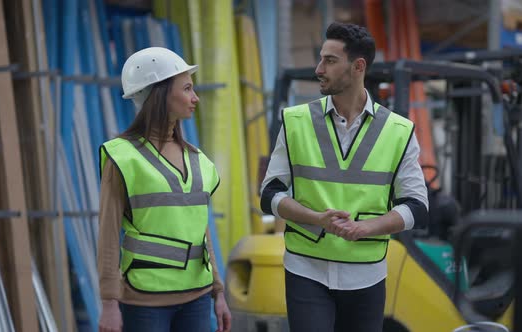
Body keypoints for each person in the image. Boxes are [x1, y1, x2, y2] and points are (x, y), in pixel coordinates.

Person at [260, 22, 428, 332]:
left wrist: (368, 228)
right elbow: (269, 195)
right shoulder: (295, 121)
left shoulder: (399, 132)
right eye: (321, 59)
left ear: (358, 66)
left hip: (367, 274)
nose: (319, 69)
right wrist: (316, 218)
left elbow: (417, 206)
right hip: (305, 268)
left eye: (330, 60)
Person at [97, 47, 231, 332]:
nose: (195, 98)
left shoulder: (198, 160)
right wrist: (109, 303)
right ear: (158, 94)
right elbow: (108, 231)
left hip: (197, 297)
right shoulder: (123, 157)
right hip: (144, 299)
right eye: (186, 88)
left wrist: (218, 292)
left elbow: (200, 228)